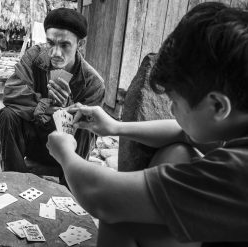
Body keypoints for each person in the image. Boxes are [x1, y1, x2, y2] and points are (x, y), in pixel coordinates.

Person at [46, 2, 248, 247]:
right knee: (175, 151)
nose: (171, 111)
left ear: (217, 106)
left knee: (120, 215)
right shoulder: (236, 121)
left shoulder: (238, 172)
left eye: (174, 101)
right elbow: (181, 132)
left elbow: (102, 196)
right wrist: (114, 127)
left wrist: (65, 152)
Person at [0, 8, 105, 178]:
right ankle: (14, 180)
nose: (55, 53)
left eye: (64, 45)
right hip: (34, 141)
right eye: (51, 43)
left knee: (86, 123)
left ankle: (71, 188)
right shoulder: (34, 56)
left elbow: (90, 130)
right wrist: (45, 105)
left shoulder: (93, 83)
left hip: (67, 149)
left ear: (81, 45)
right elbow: (11, 93)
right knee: (7, 115)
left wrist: (67, 109)